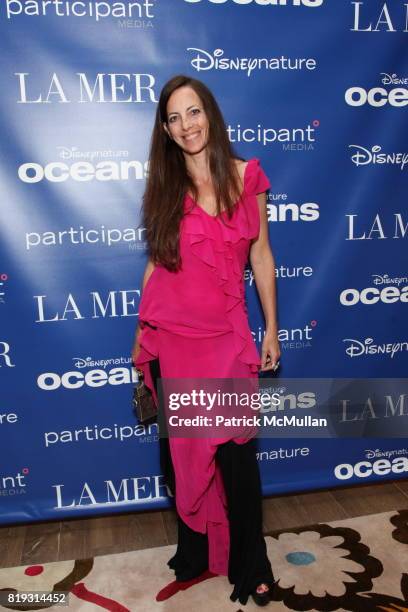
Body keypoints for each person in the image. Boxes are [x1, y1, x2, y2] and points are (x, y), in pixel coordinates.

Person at [132, 74, 280, 606]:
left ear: (210, 114)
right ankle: (194, 550)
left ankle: (251, 561)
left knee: (238, 458)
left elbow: (261, 256)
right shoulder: (167, 188)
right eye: (174, 118)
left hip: (227, 338)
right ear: (166, 131)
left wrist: (272, 328)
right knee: (181, 458)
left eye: (192, 112)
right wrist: (139, 337)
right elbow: (156, 264)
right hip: (171, 338)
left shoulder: (247, 176)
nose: (186, 125)